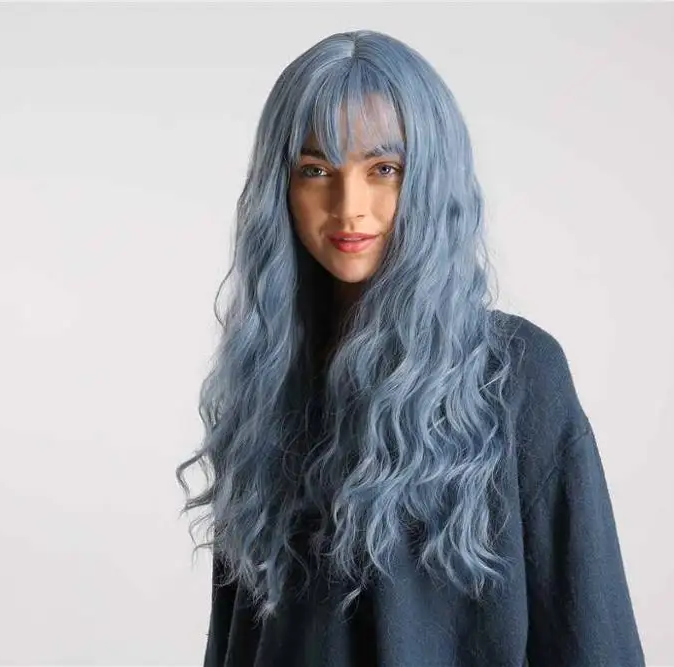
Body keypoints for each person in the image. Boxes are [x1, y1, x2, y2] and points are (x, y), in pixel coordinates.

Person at [175, 29, 646, 667]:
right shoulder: (266, 383)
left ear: (429, 178)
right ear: (279, 189)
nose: (350, 206)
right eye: (316, 170)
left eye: (384, 170)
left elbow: (592, 634)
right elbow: (236, 641)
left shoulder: (514, 376)